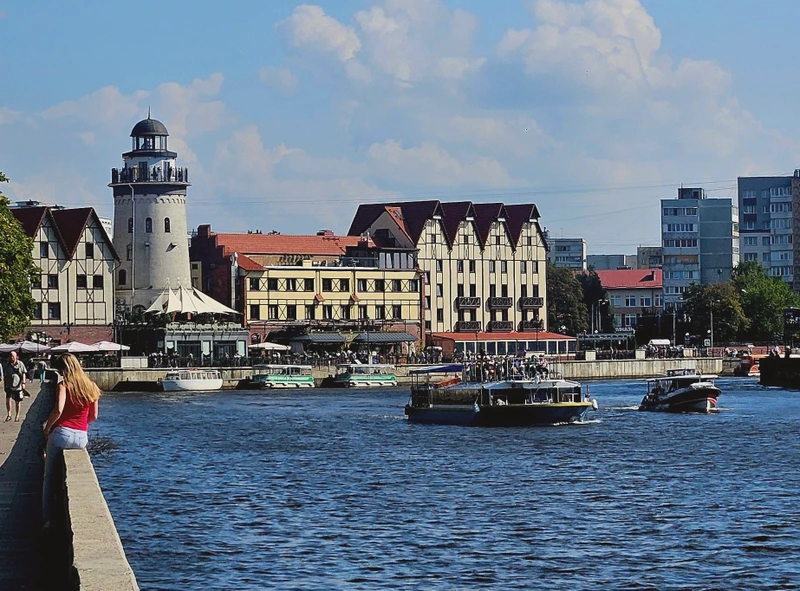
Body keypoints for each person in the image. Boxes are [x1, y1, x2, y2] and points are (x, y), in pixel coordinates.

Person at [41, 353, 102, 526]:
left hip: (62, 433)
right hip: (81, 437)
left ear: (64, 369)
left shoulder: (64, 385)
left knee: (48, 476)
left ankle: (47, 518)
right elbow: (94, 416)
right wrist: (81, 424)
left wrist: (47, 429)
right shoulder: (91, 386)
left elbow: (58, 410)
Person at [4, 351, 27, 422]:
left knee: (17, 401)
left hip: (18, 386)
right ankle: (9, 415)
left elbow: (23, 373)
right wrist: (5, 385)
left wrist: (23, 383)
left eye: (13, 356)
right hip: (9, 385)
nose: (11, 358)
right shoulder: (7, 365)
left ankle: (17, 416)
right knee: (8, 400)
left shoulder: (20, 364)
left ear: (16, 357)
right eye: (10, 356)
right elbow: (5, 375)